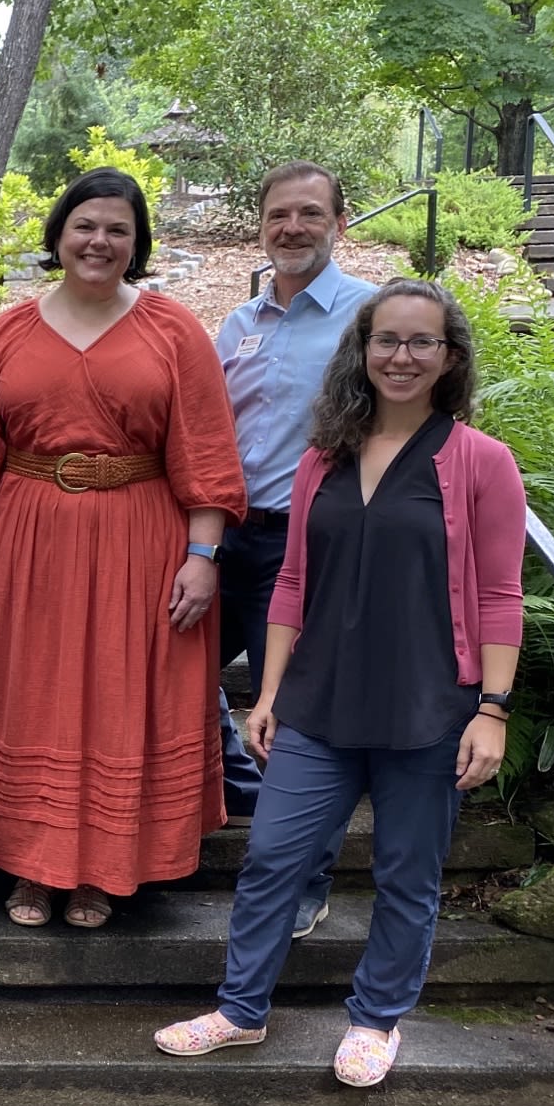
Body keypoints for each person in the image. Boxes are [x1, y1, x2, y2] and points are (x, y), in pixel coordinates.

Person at [156, 279, 524, 1087]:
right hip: (318, 700)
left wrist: (492, 708)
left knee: (406, 871)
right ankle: (241, 1010)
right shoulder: (322, 458)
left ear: (449, 358)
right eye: (385, 340)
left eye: (420, 342)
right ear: (361, 352)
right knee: (273, 858)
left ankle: (376, 1019)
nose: (400, 356)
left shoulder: (480, 463)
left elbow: (500, 593)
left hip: (430, 704)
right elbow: (290, 586)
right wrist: (270, 692)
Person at [0, 168, 245, 928]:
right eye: (85, 226)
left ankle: (100, 873)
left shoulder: (175, 333)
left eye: (117, 229)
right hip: (22, 547)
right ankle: (30, 869)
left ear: (137, 243)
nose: (99, 241)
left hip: (140, 544)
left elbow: (206, 456)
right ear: (58, 235)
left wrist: (202, 559)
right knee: (28, 701)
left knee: (116, 702)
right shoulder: (4, 334)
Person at [213, 162, 377, 939]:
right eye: (279, 215)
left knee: (303, 717)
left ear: (339, 223)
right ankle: (238, 787)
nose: (293, 228)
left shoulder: (366, 318)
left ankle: (307, 880)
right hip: (225, 537)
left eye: (310, 214)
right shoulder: (238, 326)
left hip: (309, 546)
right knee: (166, 668)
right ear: (261, 225)